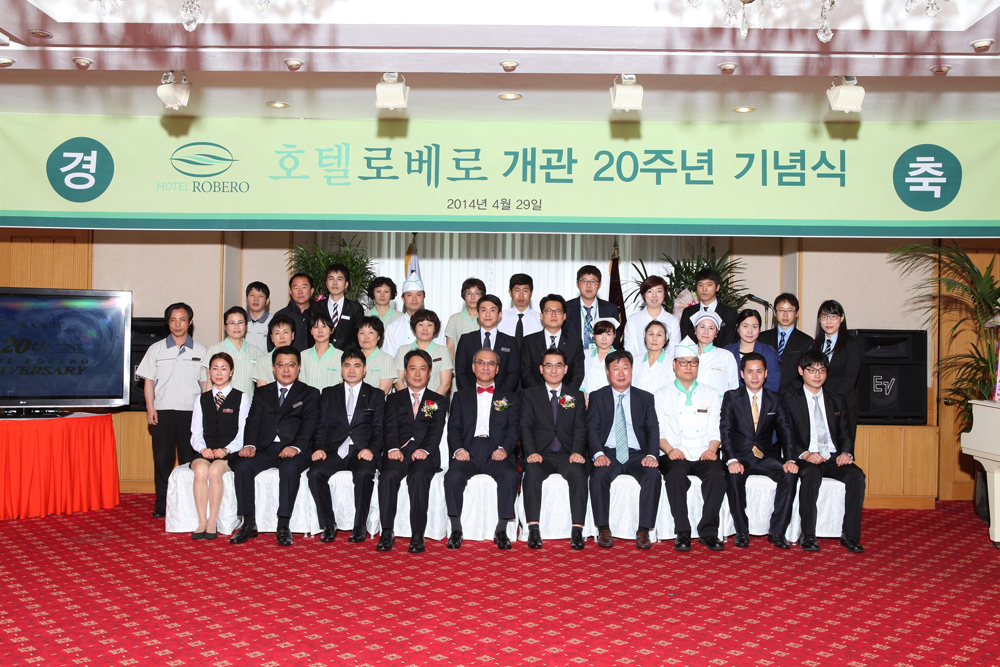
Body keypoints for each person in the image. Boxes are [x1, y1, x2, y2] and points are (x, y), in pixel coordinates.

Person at [230, 346, 320, 546]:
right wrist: (250, 444)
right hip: (266, 448)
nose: (286, 369)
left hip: (296, 450)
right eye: (281, 365)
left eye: (291, 365)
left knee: (289, 468)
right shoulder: (263, 392)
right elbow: (253, 420)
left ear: (298, 367)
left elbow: (310, 424)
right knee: (243, 465)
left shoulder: (310, 393)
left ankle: (283, 524)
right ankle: (248, 523)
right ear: (273, 368)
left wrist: (296, 447)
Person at [784, 350, 866, 553]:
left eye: (822, 370)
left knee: (856, 476)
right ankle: (808, 535)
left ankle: (851, 535)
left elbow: (846, 432)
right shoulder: (789, 400)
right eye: (812, 370)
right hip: (806, 456)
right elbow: (787, 436)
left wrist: (846, 453)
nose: (817, 375)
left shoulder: (836, 399)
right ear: (801, 371)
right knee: (811, 475)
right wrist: (805, 454)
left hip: (832, 457)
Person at [444, 347, 521, 550]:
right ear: (473, 367)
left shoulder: (510, 397)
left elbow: (514, 428)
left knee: (510, 476)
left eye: (491, 363)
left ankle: (501, 529)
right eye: (481, 362)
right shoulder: (460, 396)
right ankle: (456, 529)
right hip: (468, 450)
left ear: (497, 369)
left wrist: (504, 449)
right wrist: (458, 449)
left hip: (496, 451)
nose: (485, 367)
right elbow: (454, 428)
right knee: (452, 476)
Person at [136, 302, 208, 518]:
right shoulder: (156, 349)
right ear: (168, 323)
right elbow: (148, 382)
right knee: (162, 459)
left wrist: (205, 412)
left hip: (191, 413)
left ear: (190, 322)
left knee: (189, 460)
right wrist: (150, 407)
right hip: (163, 411)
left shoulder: (202, 350)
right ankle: (162, 503)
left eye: (182, 320)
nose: (178, 324)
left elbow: (206, 384)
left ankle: (188, 502)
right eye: (173, 320)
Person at [719, 352, 798, 550]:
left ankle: (777, 531)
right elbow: (725, 430)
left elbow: (786, 430)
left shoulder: (775, 399)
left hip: (766, 456)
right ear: (742, 374)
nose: (754, 376)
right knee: (733, 477)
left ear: (766, 374)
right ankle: (741, 531)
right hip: (740, 456)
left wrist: (791, 459)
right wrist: (731, 460)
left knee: (790, 475)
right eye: (750, 371)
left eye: (759, 371)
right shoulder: (731, 397)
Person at [655, 340, 726, 552]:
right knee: (675, 474)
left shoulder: (711, 393)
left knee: (717, 475)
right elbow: (659, 432)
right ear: (674, 365)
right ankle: (683, 531)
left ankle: (709, 532)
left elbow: (715, 429)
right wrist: (670, 450)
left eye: (693, 362)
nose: (688, 367)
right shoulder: (661, 394)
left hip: (703, 451)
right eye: (683, 362)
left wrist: (712, 450)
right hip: (673, 451)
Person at [307, 349, 385, 544]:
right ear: (341, 369)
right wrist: (319, 448)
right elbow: (321, 426)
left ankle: (360, 526)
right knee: (315, 472)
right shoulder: (328, 393)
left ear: (364, 370)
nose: (351, 370)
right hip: (334, 450)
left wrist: (371, 450)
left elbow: (379, 429)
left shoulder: (375, 395)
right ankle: (328, 524)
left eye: (357, 366)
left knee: (365, 473)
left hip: (361, 451)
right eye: (347, 365)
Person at [586, 350, 661, 550]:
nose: (621, 373)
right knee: (599, 474)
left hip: (637, 454)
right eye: (616, 368)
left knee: (652, 474)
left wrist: (652, 455)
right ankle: (603, 529)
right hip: (609, 452)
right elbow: (592, 429)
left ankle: (643, 530)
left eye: (625, 368)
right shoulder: (597, 397)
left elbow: (653, 429)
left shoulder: (645, 398)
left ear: (631, 370)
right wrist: (598, 454)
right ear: (607, 372)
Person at [377, 349, 449, 553]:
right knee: (389, 475)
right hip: (398, 452)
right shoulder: (393, 399)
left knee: (418, 476)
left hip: (425, 454)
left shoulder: (438, 400)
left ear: (429, 372)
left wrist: (425, 450)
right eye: (412, 369)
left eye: (422, 369)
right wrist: (392, 448)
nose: (417, 374)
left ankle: (417, 534)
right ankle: (387, 532)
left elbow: (436, 431)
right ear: (405, 372)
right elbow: (389, 427)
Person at [520, 349, 588, 550]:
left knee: (578, 473)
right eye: (548, 365)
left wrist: (577, 451)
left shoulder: (576, 395)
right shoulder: (530, 395)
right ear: (541, 369)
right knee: (532, 472)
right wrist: (531, 452)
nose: (553, 370)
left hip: (567, 454)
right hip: (541, 454)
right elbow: (526, 427)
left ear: (566, 369)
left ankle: (577, 530)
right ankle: (533, 528)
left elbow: (580, 427)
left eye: (558, 365)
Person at [189, 352, 250, 540]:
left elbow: (243, 433)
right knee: (201, 470)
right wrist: (202, 449)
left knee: (215, 471)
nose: (219, 373)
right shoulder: (201, 399)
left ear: (231, 372)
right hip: (204, 450)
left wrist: (226, 449)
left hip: (229, 451)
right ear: (209, 372)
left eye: (224, 368)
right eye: (215, 368)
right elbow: (195, 433)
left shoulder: (241, 397)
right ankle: (202, 521)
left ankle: (212, 521)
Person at [812, 299, 861, 442]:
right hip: (816, 405)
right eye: (824, 316)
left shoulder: (852, 345)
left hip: (842, 405)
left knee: (842, 449)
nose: (828, 321)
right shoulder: (814, 346)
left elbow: (849, 379)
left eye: (833, 316)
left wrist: (829, 401)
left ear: (842, 318)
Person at [454, 294, 520, 391]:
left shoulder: (510, 342)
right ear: (478, 314)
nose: (488, 314)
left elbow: (513, 373)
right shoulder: (466, 340)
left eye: (492, 310)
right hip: (470, 395)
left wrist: (500, 396)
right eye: (483, 310)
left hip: (502, 397)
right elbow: (460, 372)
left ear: (499, 314)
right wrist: (471, 395)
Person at [520, 294, 585, 391]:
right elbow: (526, 373)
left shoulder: (575, 342)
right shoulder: (529, 341)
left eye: (558, 311)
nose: (553, 315)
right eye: (549, 311)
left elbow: (578, 374)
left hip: (565, 397)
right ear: (541, 316)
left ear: (564, 316)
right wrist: (541, 394)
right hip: (536, 395)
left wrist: (564, 396)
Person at [202, 306, 265, 400]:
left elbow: (262, 386)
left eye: (240, 322)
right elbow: (209, 383)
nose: (236, 327)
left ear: (246, 325)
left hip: (249, 405)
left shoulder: (256, 352)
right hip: (222, 405)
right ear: (225, 326)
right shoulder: (215, 350)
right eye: (232, 323)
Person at [758, 293, 814, 395]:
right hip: (764, 393)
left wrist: (784, 393)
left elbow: (805, 373)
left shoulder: (806, 341)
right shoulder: (762, 338)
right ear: (775, 313)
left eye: (789, 310)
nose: (785, 314)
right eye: (781, 310)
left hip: (793, 395)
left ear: (796, 313)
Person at [382, 276, 446, 357]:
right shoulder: (393, 327)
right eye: (409, 295)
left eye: (418, 294)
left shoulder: (436, 324)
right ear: (403, 298)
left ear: (424, 297)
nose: (414, 299)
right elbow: (389, 358)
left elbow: (441, 355)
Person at [394, 309, 453, 395]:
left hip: (434, 401)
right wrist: (410, 400)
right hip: (406, 401)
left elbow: (445, 384)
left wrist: (430, 403)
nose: (425, 329)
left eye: (429, 325)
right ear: (414, 327)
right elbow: (398, 381)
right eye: (421, 324)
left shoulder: (443, 351)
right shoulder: (403, 350)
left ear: (435, 328)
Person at [564, 265, 621, 351]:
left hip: (603, 357)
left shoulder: (611, 310)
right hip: (573, 357)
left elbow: (615, 342)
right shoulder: (566, 308)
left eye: (593, 281)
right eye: (584, 281)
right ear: (577, 284)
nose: (588, 285)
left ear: (599, 284)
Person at [623, 275, 681, 360]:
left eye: (659, 291)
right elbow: (629, 347)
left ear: (665, 294)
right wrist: (640, 364)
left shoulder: (673, 321)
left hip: (666, 366)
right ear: (644, 294)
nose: (654, 295)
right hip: (638, 365)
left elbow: (673, 349)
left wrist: (662, 364)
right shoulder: (633, 320)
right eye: (650, 291)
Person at [724, 310, 781, 393]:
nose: (750, 331)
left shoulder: (768, 353)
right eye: (745, 326)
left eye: (754, 327)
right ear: (737, 327)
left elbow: (773, 384)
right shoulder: (727, 352)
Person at [679, 267, 739, 348]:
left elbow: (729, 343)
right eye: (700, 285)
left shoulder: (729, 313)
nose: (704, 289)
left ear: (717, 287)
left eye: (709, 285)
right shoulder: (688, 312)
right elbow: (684, 341)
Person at [312, 263, 364, 351]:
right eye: (331, 279)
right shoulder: (316, 307)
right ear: (326, 283)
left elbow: (358, 336)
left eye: (339, 279)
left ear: (346, 284)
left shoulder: (355, 309)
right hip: (322, 354)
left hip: (347, 356)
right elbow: (311, 334)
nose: (335, 283)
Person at [689, 311, 739, 398]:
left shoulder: (726, 356)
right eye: (702, 327)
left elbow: (734, 387)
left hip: (719, 404)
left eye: (711, 328)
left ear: (716, 333)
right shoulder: (686, 354)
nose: (706, 332)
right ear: (695, 331)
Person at [272, 273, 316, 352]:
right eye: (296, 288)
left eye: (304, 287)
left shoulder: (319, 313)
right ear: (290, 292)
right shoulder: (281, 315)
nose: (300, 292)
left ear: (311, 290)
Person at [300, 311, 343, 390]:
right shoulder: (302, 356)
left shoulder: (341, 356)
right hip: (308, 398)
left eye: (324, 326)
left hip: (332, 398)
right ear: (311, 331)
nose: (320, 331)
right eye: (316, 327)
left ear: (332, 330)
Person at [445, 278, 485, 360]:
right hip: (460, 366)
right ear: (464, 296)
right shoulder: (454, 319)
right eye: (469, 293)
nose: (472, 297)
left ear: (482, 295)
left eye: (476, 293)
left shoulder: (487, 319)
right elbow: (450, 349)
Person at [497, 273, 541, 347]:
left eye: (525, 291)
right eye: (517, 291)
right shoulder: (501, 318)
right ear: (510, 293)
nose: (521, 295)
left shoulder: (540, 319)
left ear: (531, 293)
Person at [631, 320, 676, 395]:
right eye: (651, 334)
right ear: (645, 338)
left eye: (659, 335)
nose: (654, 339)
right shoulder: (635, 360)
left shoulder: (672, 362)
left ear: (665, 340)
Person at [355, 316, 396, 394]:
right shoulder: (351, 359)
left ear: (379, 336)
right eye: (362, 333)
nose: (366, 337)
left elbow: (383, 391)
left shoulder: (387, 359)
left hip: (375, 402)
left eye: (370, 333)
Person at [254, 315, 296, 387]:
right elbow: (262, 390)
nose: (282, 337)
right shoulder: (263, 361)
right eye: (277, 333)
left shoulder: (301, 358)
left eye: (285, 332)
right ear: (272, 338)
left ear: (292, 335)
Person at [582, 318, 618, 400]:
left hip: (610, 401)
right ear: (593, 335)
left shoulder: (620, 357)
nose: (604, 338)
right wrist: (584, 396)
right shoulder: (585, 354)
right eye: (600, 334)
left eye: (608, 334)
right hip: (587, 401)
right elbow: (580, 379)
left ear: (614, 335)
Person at [244, 282, 273, 353]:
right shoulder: (240, 321)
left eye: (260, 296)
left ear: (267, 301)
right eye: (252, 295)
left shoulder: (273, 321)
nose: (256, 299)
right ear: (246, 299)